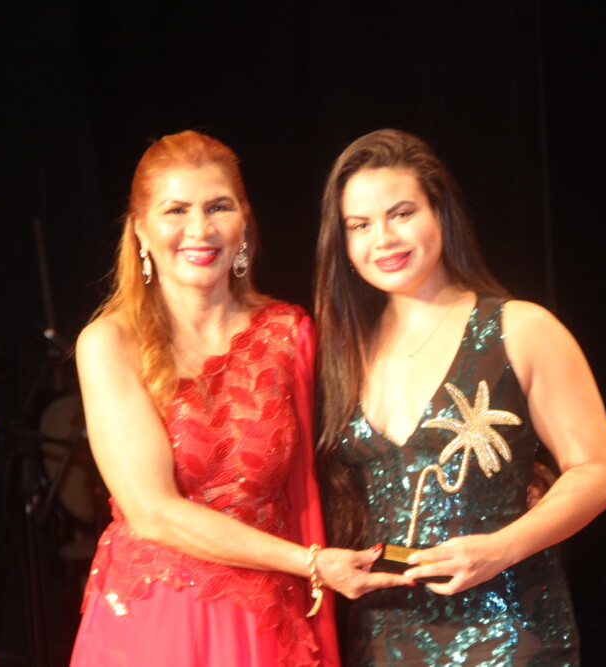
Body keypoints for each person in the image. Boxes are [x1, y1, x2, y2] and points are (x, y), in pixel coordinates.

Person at [69, 130, 401, 666]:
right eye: (176, 210)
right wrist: (310, 563)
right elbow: (153, 512)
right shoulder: (110, 343)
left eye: (218, 207)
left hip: (265, 622)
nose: (200, 229)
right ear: (140, 230)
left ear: (243, 223)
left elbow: (347, 458)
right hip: (157, 624)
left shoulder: (290, 333)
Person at [313, 129, 606, 665]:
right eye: (360, 224)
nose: (382, 238)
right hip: (383, 635)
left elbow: (598, 471)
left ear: (441, 212)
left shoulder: (520, 328)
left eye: (401, 213)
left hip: (509, 628)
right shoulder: (341, 353)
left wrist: (501, 549)